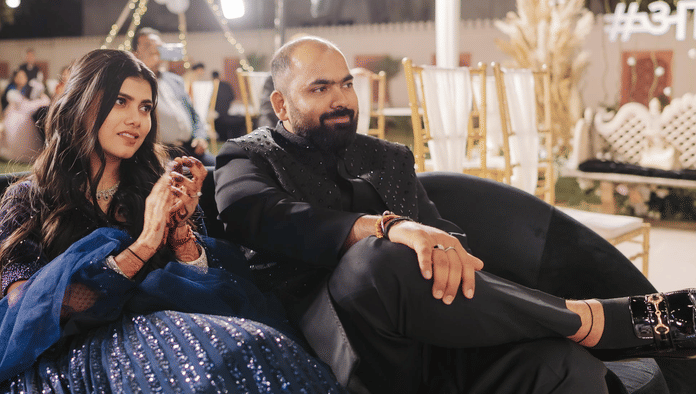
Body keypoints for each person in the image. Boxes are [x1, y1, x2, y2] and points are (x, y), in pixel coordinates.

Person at [214, 36, 696, 394]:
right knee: (376, 261)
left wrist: (443, 246)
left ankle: (581, 333)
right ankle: (589, 319)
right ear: (281, 103)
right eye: (319, 88)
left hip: (439, 346)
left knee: (566, 366)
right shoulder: (248, 156)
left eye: (345, 84)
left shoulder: (388, 157)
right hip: (347, 346)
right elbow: (250, 212)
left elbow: (445, 242)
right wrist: (383, 227)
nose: (341, 99)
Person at [0, 49, 345, 394]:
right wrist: (145, 242)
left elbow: (208, 285)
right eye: (121, 102)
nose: (136, 119)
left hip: (179, 326)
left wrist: (178, 236)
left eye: (145, 107)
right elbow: (31, 309)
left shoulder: (156, 186)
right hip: (82, 351)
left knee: (257, 345)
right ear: (82, 103)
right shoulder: (28, 200)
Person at [131, 28, 215, 166]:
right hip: (161, 153)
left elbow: (193, 115)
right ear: (135, 54)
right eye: (148, 46)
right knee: (184, 179)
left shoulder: (175, 80)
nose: (155, 50)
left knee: (223, 169)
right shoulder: (136, 84)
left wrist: (200, 137)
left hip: (191, 148)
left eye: (158, 45)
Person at [211, 70, 245, 141]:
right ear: (219, 76)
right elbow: (232, 97)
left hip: (218, 115)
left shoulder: (212, 86)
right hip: (227, 112)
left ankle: (222, 139)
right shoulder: (226, 85)